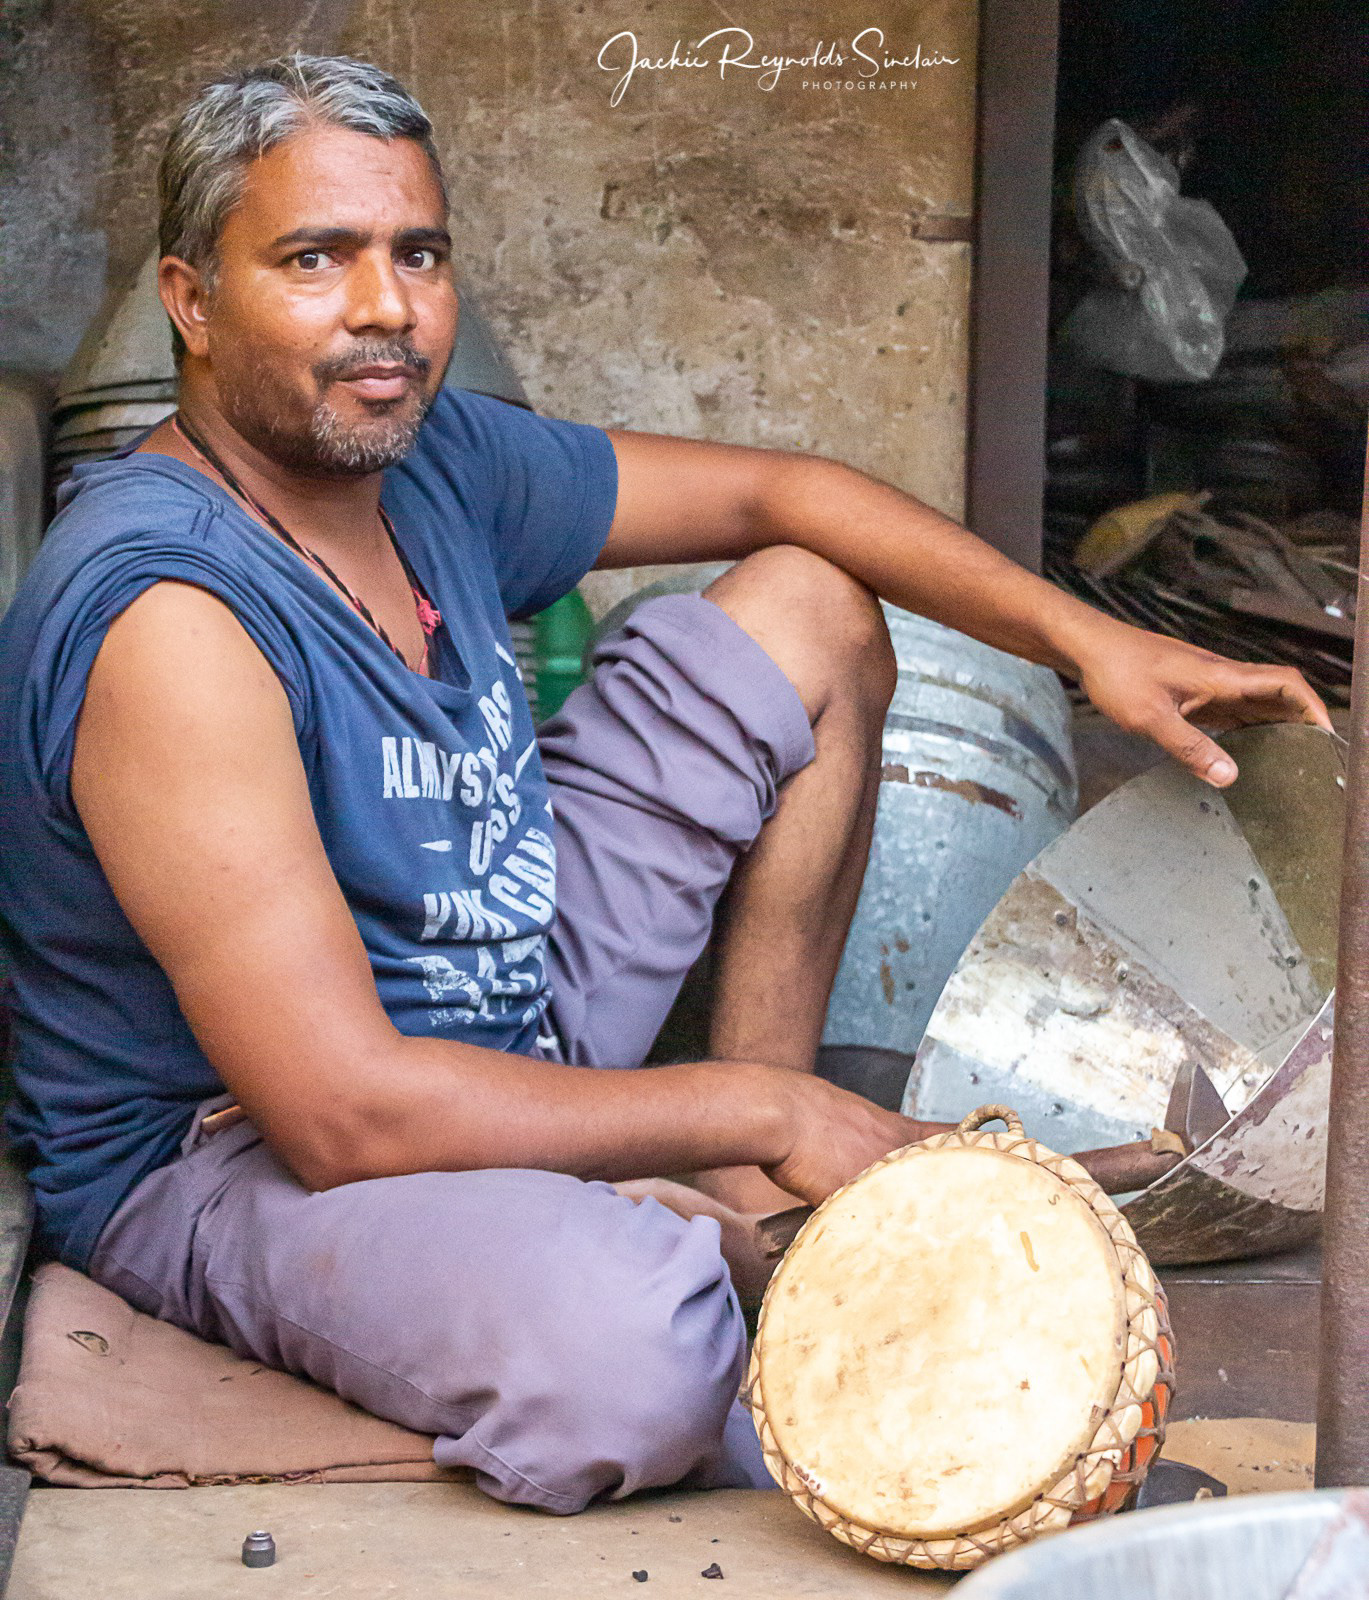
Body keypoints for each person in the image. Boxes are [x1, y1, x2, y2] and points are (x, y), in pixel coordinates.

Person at [0, 55, 1330, 1513]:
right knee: (634, 1358)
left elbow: (785, 498)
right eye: (314, 259)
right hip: (248, 1149)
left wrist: (1086, 640)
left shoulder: (431, 460)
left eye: (417, 255)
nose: (384, 307)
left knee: (808, 605)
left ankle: (750, 1217)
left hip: (500, 1009)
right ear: (191, 301)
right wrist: (758, 1105)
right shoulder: (170, 617)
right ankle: (698, 1219)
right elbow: (343, 1116)